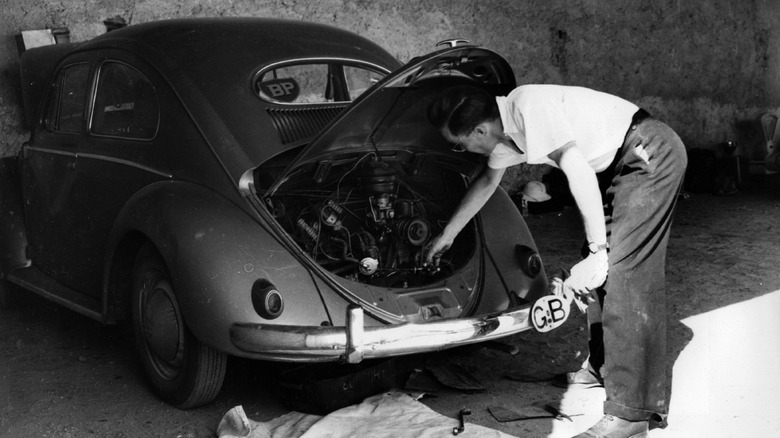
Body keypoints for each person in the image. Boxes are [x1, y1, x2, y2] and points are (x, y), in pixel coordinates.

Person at [424, 84, 687, 438]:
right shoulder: (504, 135)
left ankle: (631, 415)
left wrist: (598, 249)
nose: (461, 150)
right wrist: (449, 233)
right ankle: (603, 368)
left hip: (648, 150)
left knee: (623, 272)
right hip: (616, 163)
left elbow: (577, 169)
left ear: (480, 131)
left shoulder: (527, 107)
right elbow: (487, 180)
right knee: (598, 270)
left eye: (458, 144)